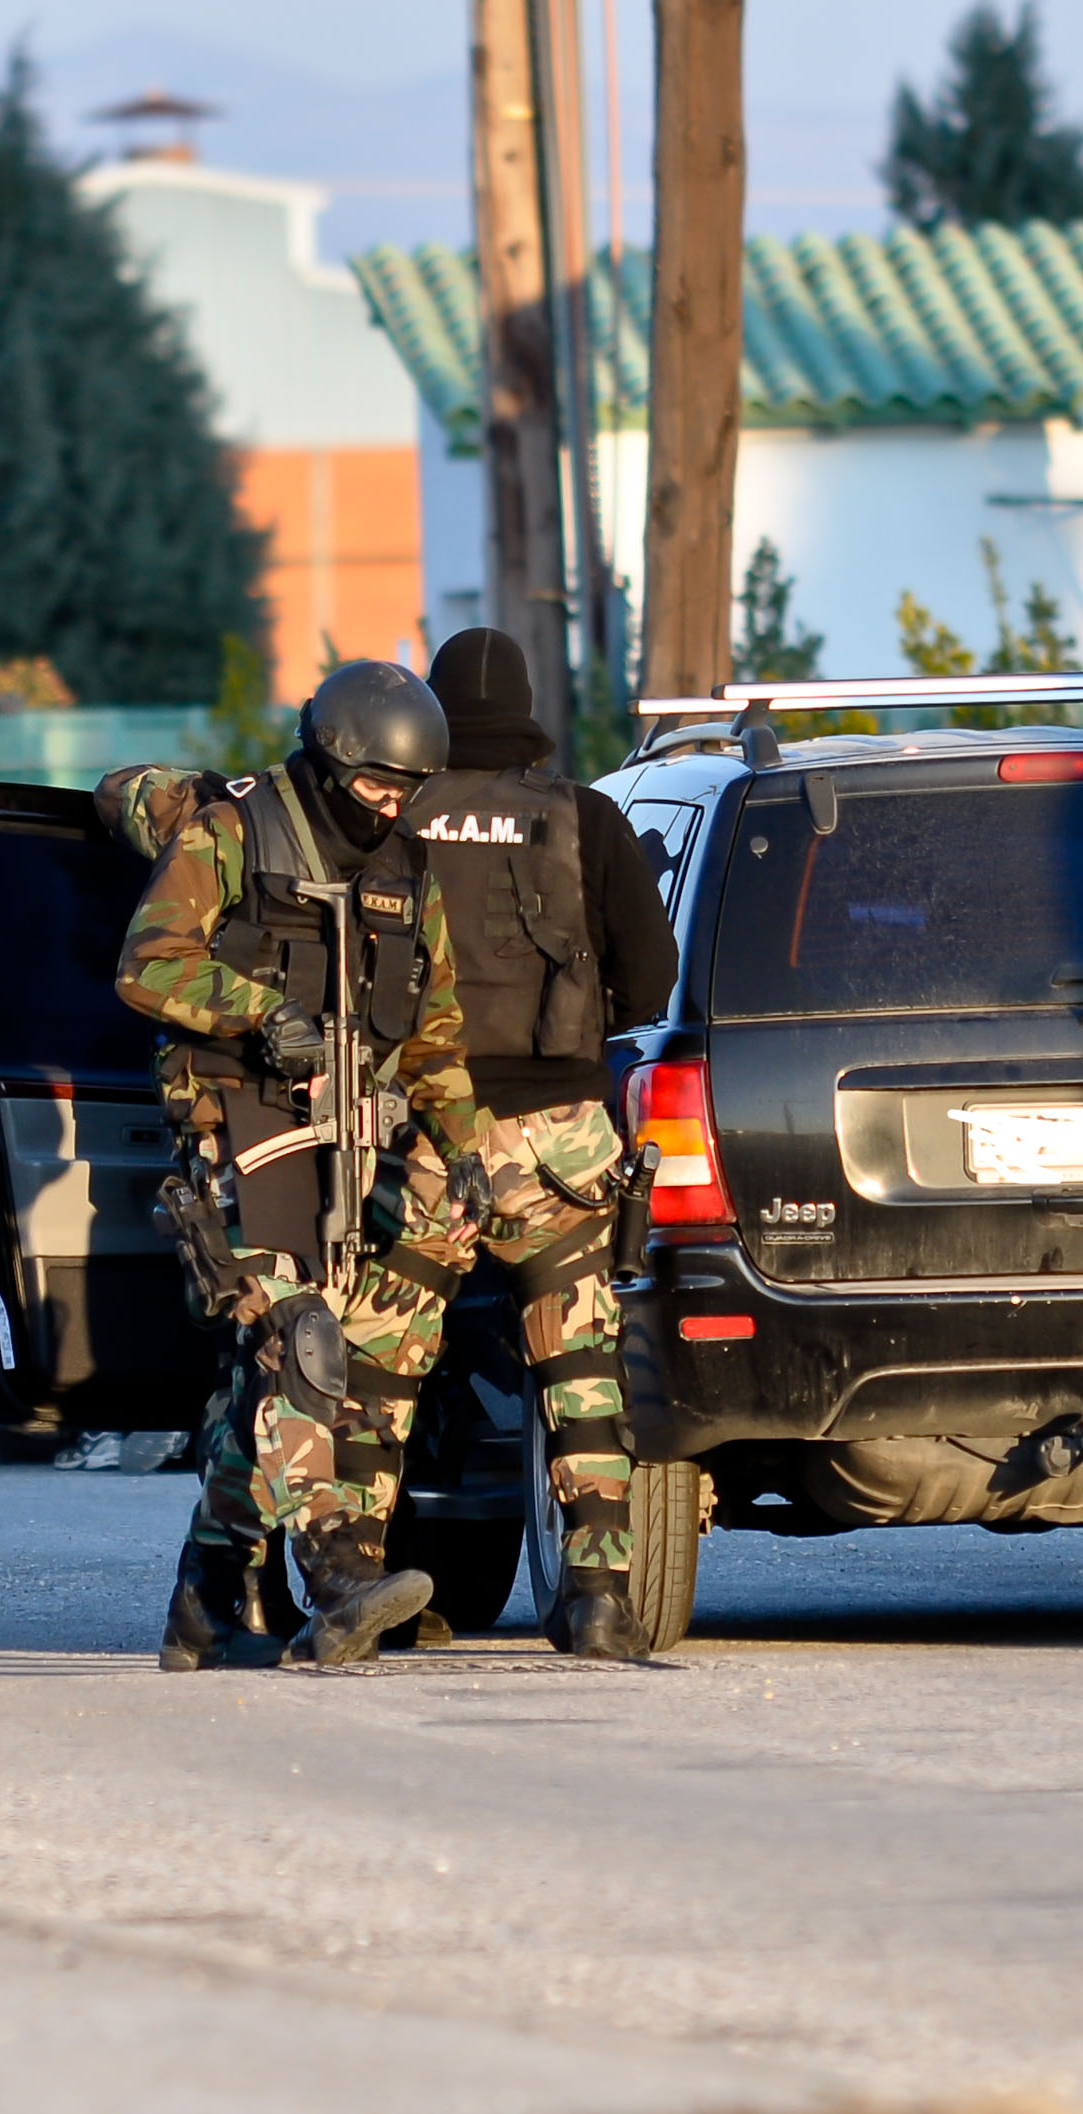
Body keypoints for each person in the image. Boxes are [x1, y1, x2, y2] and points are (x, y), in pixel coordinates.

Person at [112, 659, 505, 1670]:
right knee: (298, 1342)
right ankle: (335, 1574)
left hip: (351, 1144)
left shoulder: (407, 868)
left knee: (280, 1373)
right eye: (378, 782)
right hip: (235, 1126)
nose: (392, 802)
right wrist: (259, 1014)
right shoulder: (234, 832)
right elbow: (146, 962)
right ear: (331, 761)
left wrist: (460, 1149)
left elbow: (436, 1031)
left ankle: (208, 1599)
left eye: (407, 788)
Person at [332, 627, 682, 1658]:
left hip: (423, 1130)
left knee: (382, 1368)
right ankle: (597, 1599)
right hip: (563, 1136)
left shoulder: (388, 815)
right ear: (528, 713)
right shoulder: (585, 817)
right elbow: (650, 985)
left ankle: (353, 1583)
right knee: (577, 1366)